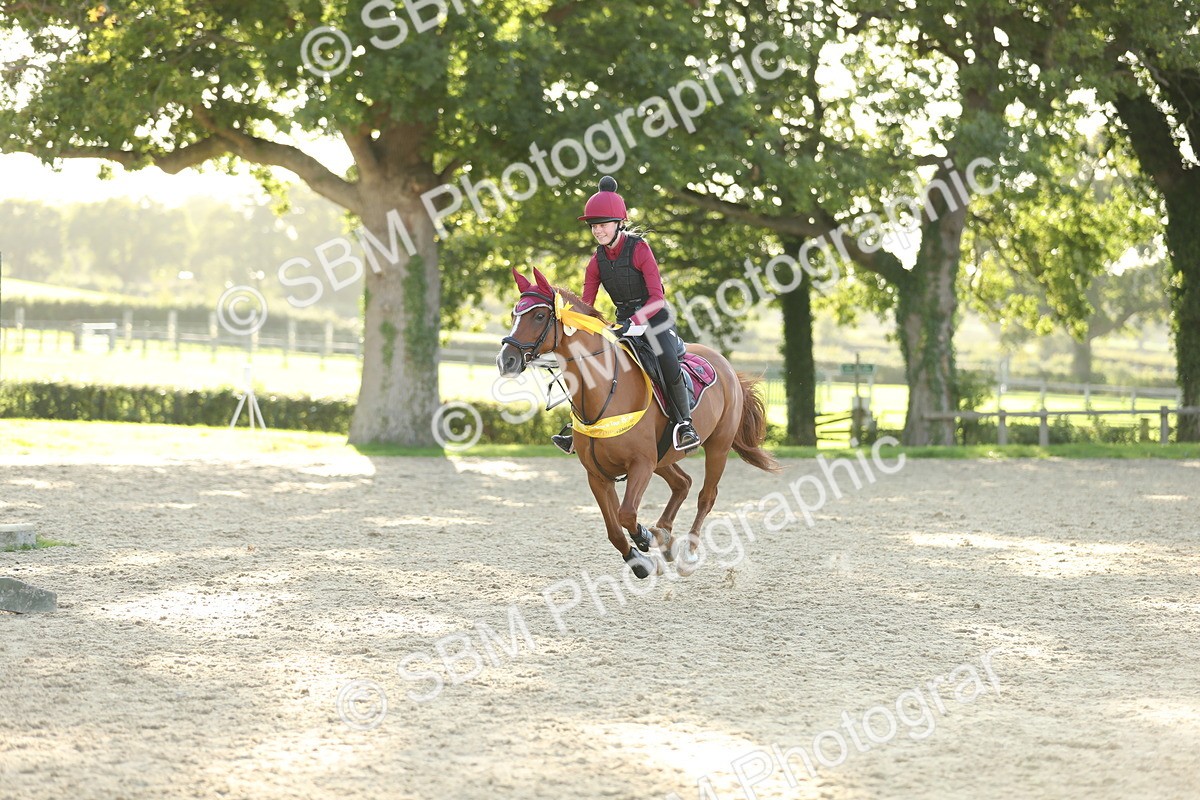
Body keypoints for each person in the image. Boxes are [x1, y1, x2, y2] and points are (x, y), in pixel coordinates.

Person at [551, 176, 702, 454]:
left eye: (603, 224)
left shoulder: (640, 249)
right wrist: (569, 319)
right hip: (623, 323)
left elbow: (657, 298)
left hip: (655, 319)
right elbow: (587, 306)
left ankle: (685, 424)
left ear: (619, 223)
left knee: (667, 360)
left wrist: (635, 322)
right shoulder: (596, 262)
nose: (597, 230)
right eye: (594, 226)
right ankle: (578, 427)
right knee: (592, 363)